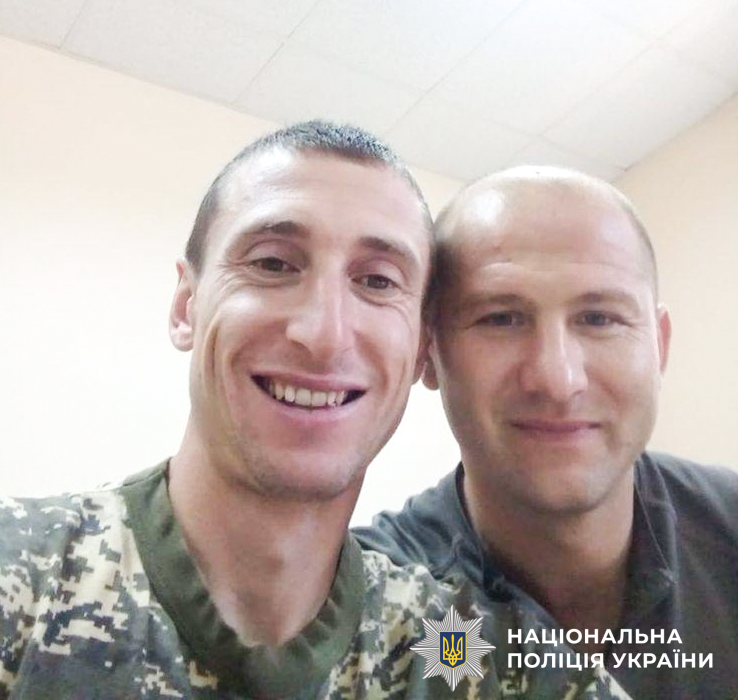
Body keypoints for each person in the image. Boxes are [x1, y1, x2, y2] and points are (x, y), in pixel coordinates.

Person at [0, 130, 633, 700]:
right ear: (185, 305)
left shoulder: (462, 651)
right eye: (272, 264)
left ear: (422, 348)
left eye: (378, 281)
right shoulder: (23, 577)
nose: (325, 335)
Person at [356, 166, 738, 700]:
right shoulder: (366, 604)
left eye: (599, 319)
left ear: (660, 346)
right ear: (430, 353)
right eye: (501, 318)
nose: (558, 380)